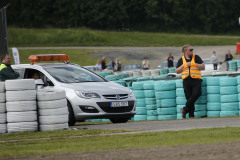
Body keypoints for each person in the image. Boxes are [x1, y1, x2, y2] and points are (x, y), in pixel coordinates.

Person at [175, 45, 205, 118]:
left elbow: (203, 67)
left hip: (196, 80)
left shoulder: (196, 57)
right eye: (190, 50)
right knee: (189, 98)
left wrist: (193, 64)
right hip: (186, 81)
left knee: (197, 93)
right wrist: (183, 66)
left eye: (192, 49)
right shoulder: (181, 60)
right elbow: (177, 71)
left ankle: (185, 109)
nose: (192, 51)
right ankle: (191, 115)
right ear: (186, 51)